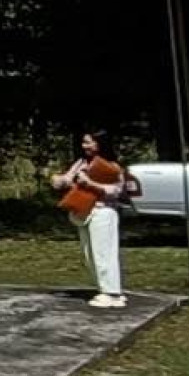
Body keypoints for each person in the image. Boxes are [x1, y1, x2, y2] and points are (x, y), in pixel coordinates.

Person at [54, 132, 139, 309]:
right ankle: (104, 289)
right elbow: (68, 179)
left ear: (99, 143)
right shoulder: (81, 163)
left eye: (88, 143)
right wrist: (61, 181)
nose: (85, 146)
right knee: (90, 254)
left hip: (104, 211)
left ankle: (112, 292)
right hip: (84, 211)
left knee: (104, 253)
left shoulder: (112, 166)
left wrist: (91, 184)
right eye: (84, 143)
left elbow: (116, 190)